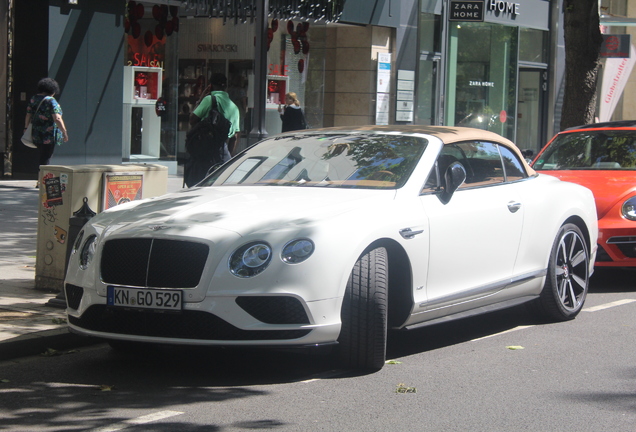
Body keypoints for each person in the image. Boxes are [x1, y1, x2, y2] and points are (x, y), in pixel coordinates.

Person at [189, 73, 241, 160]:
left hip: (204, 151)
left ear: (210, 86)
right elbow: (235, 136)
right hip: (223, 153)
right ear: (225, 87)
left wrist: (200, 99)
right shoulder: (234, 108)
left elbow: (192, 119)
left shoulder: (209, 100)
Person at [23, 78, 69, 168]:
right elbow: (57, 118)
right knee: (46, 158)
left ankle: (41, 178)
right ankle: (43, 179)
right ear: (52, 90)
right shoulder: (51, 101)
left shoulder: (34, 99)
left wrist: (25, 127)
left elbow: (28, 115)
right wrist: (64, 132)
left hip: (36, 132)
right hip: (49, 134)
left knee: (42, 156)